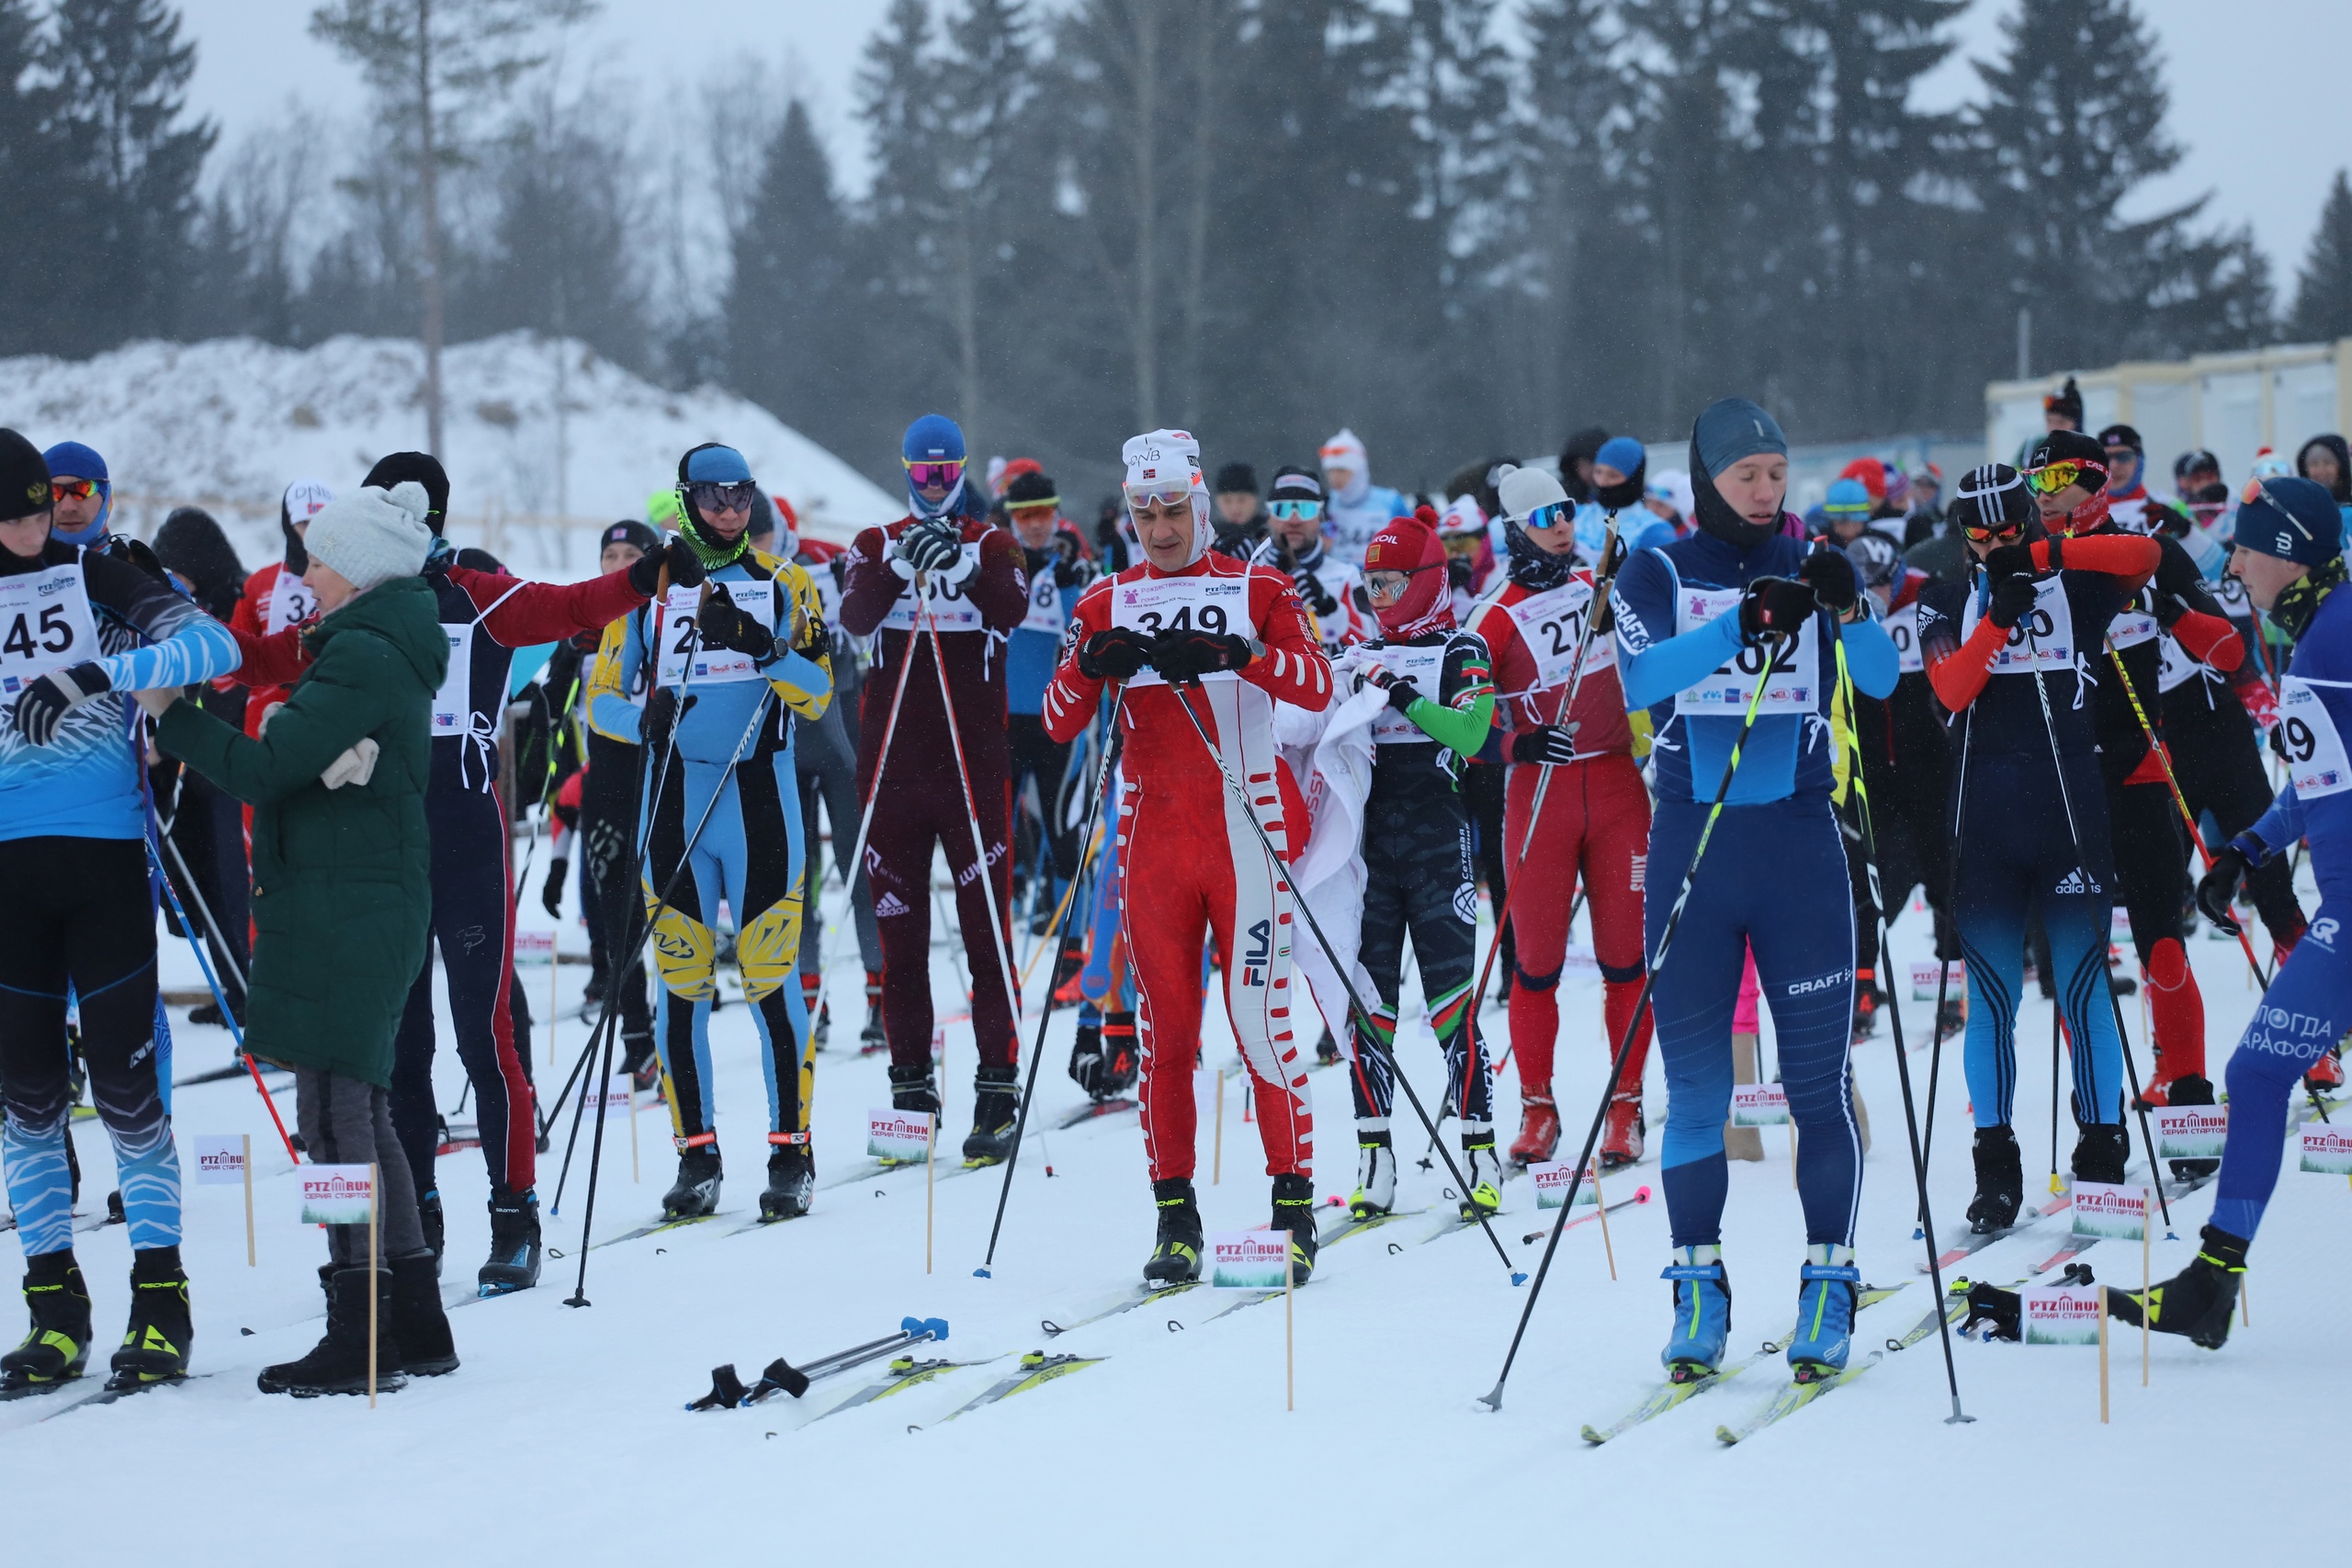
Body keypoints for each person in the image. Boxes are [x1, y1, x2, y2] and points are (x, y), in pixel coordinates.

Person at [226, 452, 671, 1292]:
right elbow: (267, 658)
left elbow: (577, 604)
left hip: (464, 838)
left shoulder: (475, 592)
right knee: (399, 1043)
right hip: (384, 848)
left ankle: (514, 1213)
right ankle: (418, 1213)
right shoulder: (355, 610)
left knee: (483, 1035)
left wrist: (650, 574)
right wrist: (176, 630)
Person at [1608, 396, 1898, 1382]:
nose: (1767, 492)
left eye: (1777, 474)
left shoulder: (1814, 559)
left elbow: (1882, 680)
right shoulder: (1657, 570)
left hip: (1798, 852)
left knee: (1818, 1088)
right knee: (1697, 1092)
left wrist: (1848, 608)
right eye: (1747, 476)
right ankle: (1697, 1285)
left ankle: (1830, 1280)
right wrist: (1741, 622)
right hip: (1694, 847)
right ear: (1708, 481)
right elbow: (1642, 682)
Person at [150, 479, 461, 1395]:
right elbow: (302, 749)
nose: (306, 576)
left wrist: (174, 717)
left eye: (320, 561)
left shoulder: (363, 652)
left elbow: (269, 767)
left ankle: (359, 1327)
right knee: (360, 1109)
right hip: (354, 892)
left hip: (345, 900)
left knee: (334, 1118)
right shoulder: (372, 640)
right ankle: (414, 1318)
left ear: (358, 569)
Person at [1042, 428, 1334, 1287]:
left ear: (1201, 507)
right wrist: (1088, 664)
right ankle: (1175, 1218)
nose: (1161, 530)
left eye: (1174, 511)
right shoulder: (1106, 597)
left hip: (1246, 833)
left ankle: (1293, 1209)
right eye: (1145, 515)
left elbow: (1318, 684)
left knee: (1260, 1026)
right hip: (1154, 843)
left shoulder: (1258, 586)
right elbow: (1057, 720)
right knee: (1166, 1036)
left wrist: (1241, 654)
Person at [0, 429, 242, 1397]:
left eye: (44, 510)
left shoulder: (96, 576)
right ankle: (53, 1310)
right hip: (9, 877)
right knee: (25, 1100)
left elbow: (216, 644)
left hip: (102, 866)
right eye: (21, 515)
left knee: (128, 1094)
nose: (38, 529)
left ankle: (161, 1302)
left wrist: (102, 673)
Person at [2113, 476, 2348, 1348]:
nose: (2236, 564)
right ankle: (2212, 1285)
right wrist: (2249, 847)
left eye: (2247, 547)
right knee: (2254, 1074)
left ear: (2287, 552)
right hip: (2342, 917)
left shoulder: (2338, 632)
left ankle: (2212, 1282)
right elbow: (2321, 776)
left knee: (2255, 1073)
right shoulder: (2316, 632)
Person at [1914, 466, 2160, 1228]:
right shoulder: (1943, 597)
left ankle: (2103, 1141)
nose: (1996, 545)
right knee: (1993, 999)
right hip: (1985, 823)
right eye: (1981, 536)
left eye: (2010, 530)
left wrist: (2049, 556)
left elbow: (2144, 556)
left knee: (2084, 987)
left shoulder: (2075, 582)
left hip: (2069, 818)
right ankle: (1996, 1161)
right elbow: (1949, 690)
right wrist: (1996, 618)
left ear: (2031, 520)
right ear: (1963, 536)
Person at [594, 446, 831, 1220]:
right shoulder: (649, 590)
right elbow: (600, 701)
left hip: (761, 803)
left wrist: (763, 646)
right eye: (713, 496)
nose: (730, 510)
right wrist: (645, 715)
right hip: (676, 803)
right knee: (681, 985)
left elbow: (818, 693)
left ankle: (790, 1152)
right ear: (686, 500)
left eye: (741, 495)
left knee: (771, 982)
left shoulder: (785, 582)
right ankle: (696, 1155)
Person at [2026, 430, 2239, 1105]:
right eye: (2034, 481)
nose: (2044, 493)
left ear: (2095, 481)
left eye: (2057, 478)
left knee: (2161, 938)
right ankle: (2097, 1106)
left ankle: (2186, 1084)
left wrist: (2165, 609)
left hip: (2138, 767)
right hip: (2061, 778)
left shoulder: (2151, 551)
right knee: (2074, 949)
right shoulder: (2029, 559)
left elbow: (2229, 651)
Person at [839, 415, 1029, 1162]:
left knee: (986, 936)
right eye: (924, 472)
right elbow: (855, 613)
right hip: (892, 773)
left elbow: (1012, 608)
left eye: (948, 471)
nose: (936, 484)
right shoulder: (873, 541)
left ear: (963, 470)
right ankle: (911, 1091)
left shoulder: (993, 542)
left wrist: (964, 571)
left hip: (971, 772)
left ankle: (997, 1088)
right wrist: (899, 567)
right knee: (901, 942)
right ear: (906, 471)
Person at [1465, 464, 1651, 1169]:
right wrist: (1516, 743)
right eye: (1545, 517)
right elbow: (1464, 729)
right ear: (1515, 531)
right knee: (1536, 965)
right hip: (1539, 797)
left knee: (1624, 958)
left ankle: (1626, 1105)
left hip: (1617, 788)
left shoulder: (1600, 583)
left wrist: (1632, 583)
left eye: (1568, 510)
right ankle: (1537, 1108)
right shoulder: (1493, 614)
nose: (1563, 525)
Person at [1328, 512, 1501, 1220]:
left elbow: (1472, 733)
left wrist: (1399, 692)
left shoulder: (1463, 647)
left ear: (1426, 580)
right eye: (1370, 583)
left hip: (1439, 845)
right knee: (1369, 1009)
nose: (1379, 596)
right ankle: (1375, 1158)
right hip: (1370, 853)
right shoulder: (1361, 650)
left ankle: (1480, 1152)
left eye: (1392, 582)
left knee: (1452, 1004)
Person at [554, 523, 664, 1086]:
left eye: (631, 554)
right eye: (610, 555)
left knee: (669, 910)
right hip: (607, 782)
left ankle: (677, 1029)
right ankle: (637, 1037)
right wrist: (568, 658)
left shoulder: (665, 617)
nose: (619, 564)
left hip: (664, 777)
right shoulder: (584, 621)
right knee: (616, 915)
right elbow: (552, 703)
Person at [150, 507, 254, 1026]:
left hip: (226, 769)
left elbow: (226, 693)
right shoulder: (174, 609)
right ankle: (230, 984)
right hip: (190, 772)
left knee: (233, 887)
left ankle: (250, 987)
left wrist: (172, 741)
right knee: (202, 885)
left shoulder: (236, 605)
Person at [1001, 469, 1094, 932]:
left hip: (1055, 724)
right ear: (1011, 519)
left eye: (1043, 513)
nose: (1036, 524)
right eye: (1025, 516)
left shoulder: (1071, 565)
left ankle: (1073, 947)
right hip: (1001, 723)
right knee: (995, 839)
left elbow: (1083, 636)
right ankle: (996, 942)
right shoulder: (997, 560)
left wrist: (1067, 581)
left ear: (1056, 514)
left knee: (1062, 834)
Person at [1251, 466, 1368, 659]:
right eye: (1282, 509)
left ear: (1320, 518)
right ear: (1269, 517)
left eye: (1306, 510)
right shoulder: (1248, 573)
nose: (1294, 520)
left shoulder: (1347, 576)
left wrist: (1330, 608)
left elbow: (1373, 639)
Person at [1317, 428, 1412, 567]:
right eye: (1330, 471)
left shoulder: (1390, 501)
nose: (1335, 477)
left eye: (1342, 470)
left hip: (1380, 578)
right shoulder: (1325, 503)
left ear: (1359, 470)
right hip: (1337, 579)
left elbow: (1413, 544)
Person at [39, 441, 112, 547]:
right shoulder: (14, 557)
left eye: (83, 489)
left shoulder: (132, 557)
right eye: (52, 492)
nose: (68, 508)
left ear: (106, 498)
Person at [1210, 462, 1268, 559]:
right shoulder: (1209, 535)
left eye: (1242, 500)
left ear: (1255, 499)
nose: (1235, 508)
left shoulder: (1270, 533)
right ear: (1217, 501)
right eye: (1227, 501)